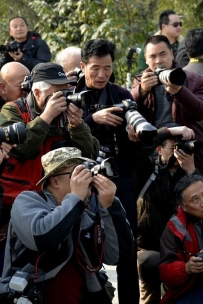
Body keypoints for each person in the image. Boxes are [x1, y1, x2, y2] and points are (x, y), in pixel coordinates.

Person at [0, 146, 135, 304]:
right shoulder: (28, 200)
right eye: (77, 174)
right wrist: (75, 198)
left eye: (86, 171)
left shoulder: (87, 210)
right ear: (54, 181)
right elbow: (43, 238)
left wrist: (110, 207)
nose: (86, 178)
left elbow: (119, 256)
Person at [74, 38, 139, 303]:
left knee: (127, 246)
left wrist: (133, 136)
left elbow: (131, 144)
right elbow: (63, 137)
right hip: (79, 178)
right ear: (83, 66)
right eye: (95, 68)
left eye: (108, 68)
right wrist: (92, 119)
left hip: (119, 176)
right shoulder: (71, 94)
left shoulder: (122, 95)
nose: (102, 75)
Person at [0, 62, 99, 227]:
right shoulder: (13, 110)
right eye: (57, 93)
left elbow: (90, 155)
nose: (64, 97)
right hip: (14, 201)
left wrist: (78, 126)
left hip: (54, 202)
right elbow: (22, 150)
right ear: (37, 93)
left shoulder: (67, 116)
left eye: (66, 91)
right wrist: (46, 117)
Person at [128, 124, 200, 304]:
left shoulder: (190, 176)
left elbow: (201, 202)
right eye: (174, 147)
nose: (179, 151)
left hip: (182, 250)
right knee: (155, 264)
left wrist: (192, 171)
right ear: (159, 150)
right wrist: (170, 131)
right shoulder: (147, 170)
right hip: (149, 248)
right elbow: (140, 142)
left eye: (182, 145)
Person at [131, 34, 203, 174]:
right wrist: (142, 90)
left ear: (171, 53)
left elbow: (200, 112)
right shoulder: (140, 81)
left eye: (163, 54)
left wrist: (180, 91)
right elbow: (128, 107)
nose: (158, 61)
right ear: (146, 59)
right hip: (152, 155)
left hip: (185, 153)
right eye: (152, 56)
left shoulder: (193, 80)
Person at [159, 174, 203, 304]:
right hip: (193, 287)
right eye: (195, 199)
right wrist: (187, 268)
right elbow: (165, 272)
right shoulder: (175, 227)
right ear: (183, 207)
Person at [137, 9, 183, 74]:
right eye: (175, 25)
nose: (179, 27)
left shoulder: (185, 45)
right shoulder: (149, 46)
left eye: (180, 24)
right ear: (164, 26)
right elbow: (141, 72)